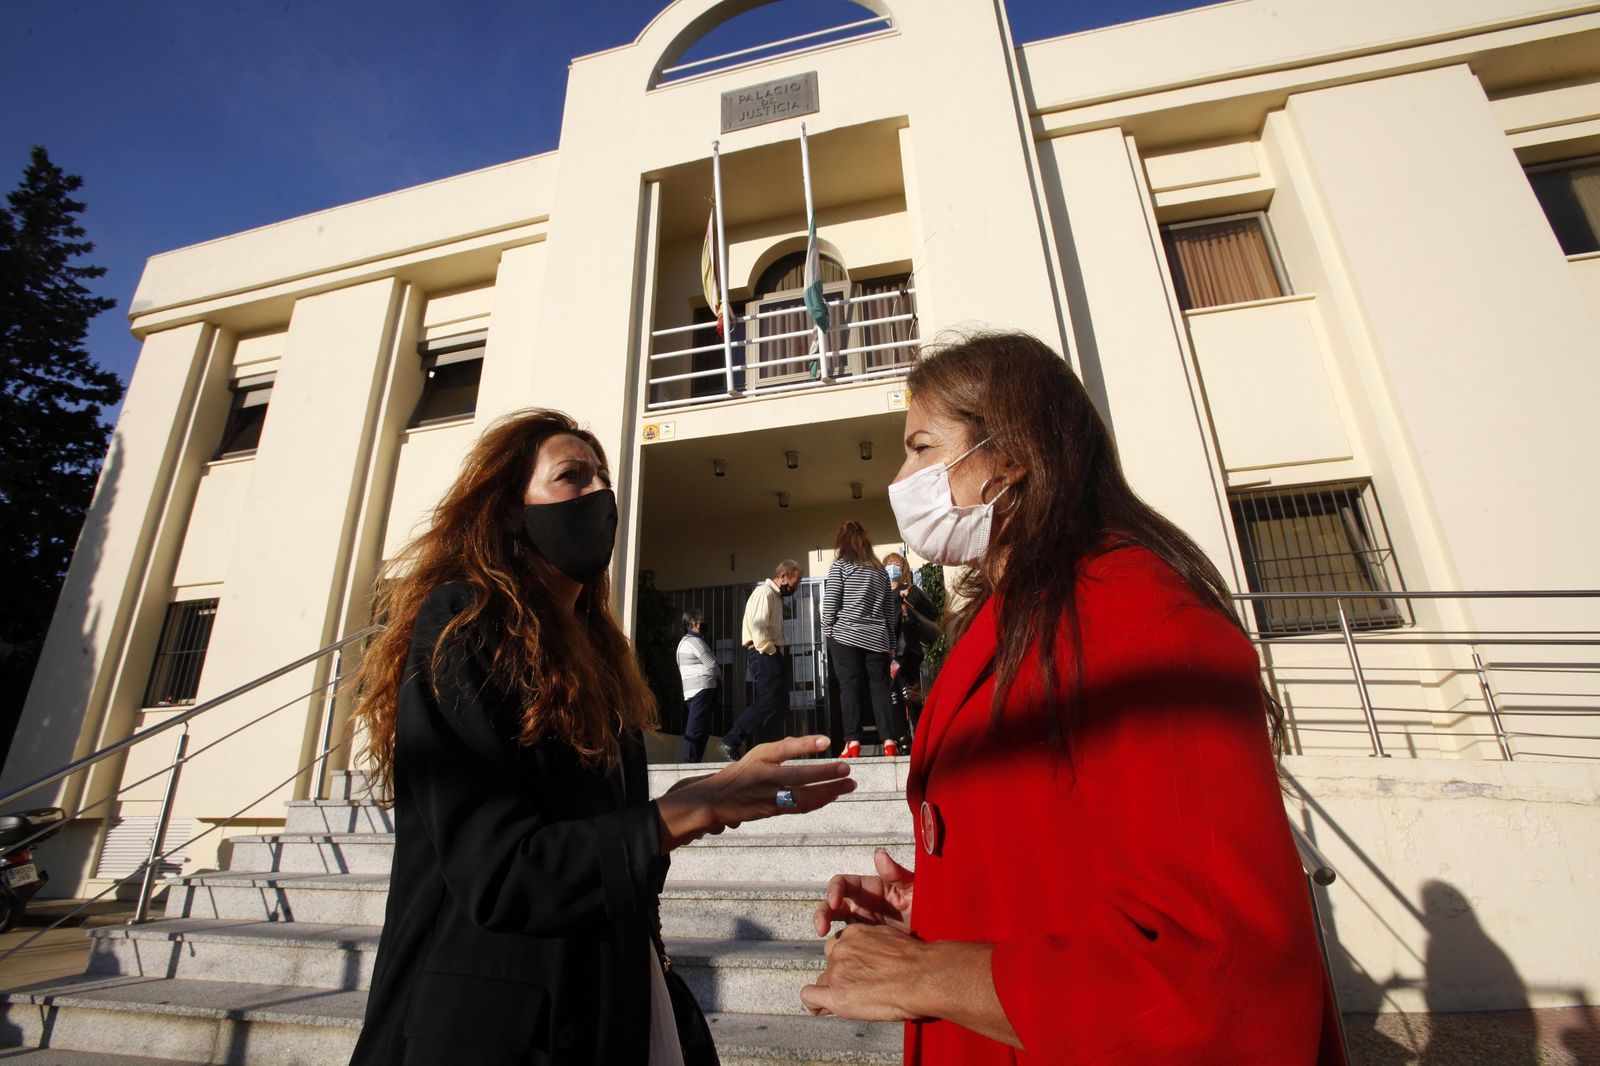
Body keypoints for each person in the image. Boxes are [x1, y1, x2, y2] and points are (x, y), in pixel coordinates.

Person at [801, 334, 1344, 1064]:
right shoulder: (1013, 614)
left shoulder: (1136, 614)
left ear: (1011, 457)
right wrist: (941, 905)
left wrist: (930, 974)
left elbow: (1218, 972)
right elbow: (1060, 858)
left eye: (922, 448)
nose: (901, 480)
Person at [346, 410, 855, 1066]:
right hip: (494, 1033)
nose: (600, 496)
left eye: (604, 480)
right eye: (572, 477)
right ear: (509, 509)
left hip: (602, 1010)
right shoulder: (464, 625)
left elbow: (613, 855)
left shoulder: (601, 662)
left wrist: (702, 804)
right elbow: (498, 874)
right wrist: (698, 806)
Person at [821, 522, 898, 758]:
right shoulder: (880, 570)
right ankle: (889, 741)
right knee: (880, 688)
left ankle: (852, 742)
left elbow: (830, 604)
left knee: (849, 688)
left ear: (842, 542)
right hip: (877, 638)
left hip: (846, 637)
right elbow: (889, 611)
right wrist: (891, 644)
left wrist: (828, 632)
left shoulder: (840, 567)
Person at [721, 560, 802, 760]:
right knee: (768, 700)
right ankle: (731, 740)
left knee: (779, 704)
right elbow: (759, 629)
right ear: (783, 576)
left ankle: (768, 752)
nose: (796, 587)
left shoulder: (775, 596)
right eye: (795, 582)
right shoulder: (764, 593)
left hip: (770, 653)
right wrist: (771, 651)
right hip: (764, 652)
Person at [883, 551, 938, 741]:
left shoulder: (910, 590)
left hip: (907, 651)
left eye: (896, 564)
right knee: (893, 695)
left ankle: (921, 736)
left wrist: (910, 599)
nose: (892, 568)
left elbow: (932, 613)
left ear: (903, 568)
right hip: (888, 652)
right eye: (888, 564)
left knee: (909, 694)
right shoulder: (882, 594)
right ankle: (903, 738)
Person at [676, 608, 720, 762]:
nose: (704, 624)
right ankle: (689, 761)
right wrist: (720, 675)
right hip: (701, 687)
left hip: (693, 689)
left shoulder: (685, 642)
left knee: (703, 727)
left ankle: (694, 760)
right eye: (701, 621)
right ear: (694, 624)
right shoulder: (694, 641)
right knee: (696, 727)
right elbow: (711, 664)